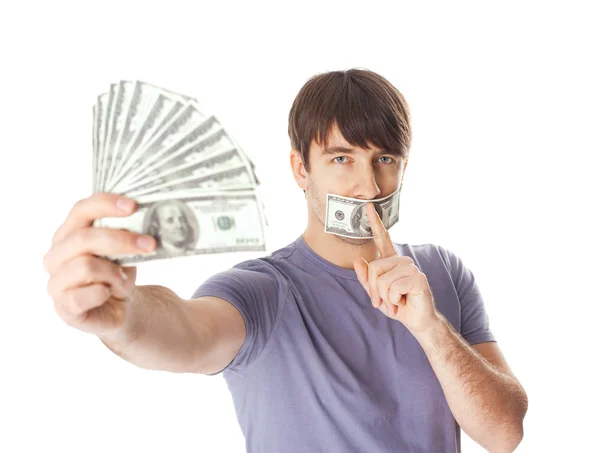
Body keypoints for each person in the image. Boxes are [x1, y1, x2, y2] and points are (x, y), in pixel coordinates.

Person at [43, 69, 528, 453]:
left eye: (385, 160)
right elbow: (186, 331)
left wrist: (430, 328)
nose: (368, 186)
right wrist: (121, 318)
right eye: (341, 159)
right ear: (301, 168)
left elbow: (505, 433)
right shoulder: (265, 289)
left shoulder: (442, 272)